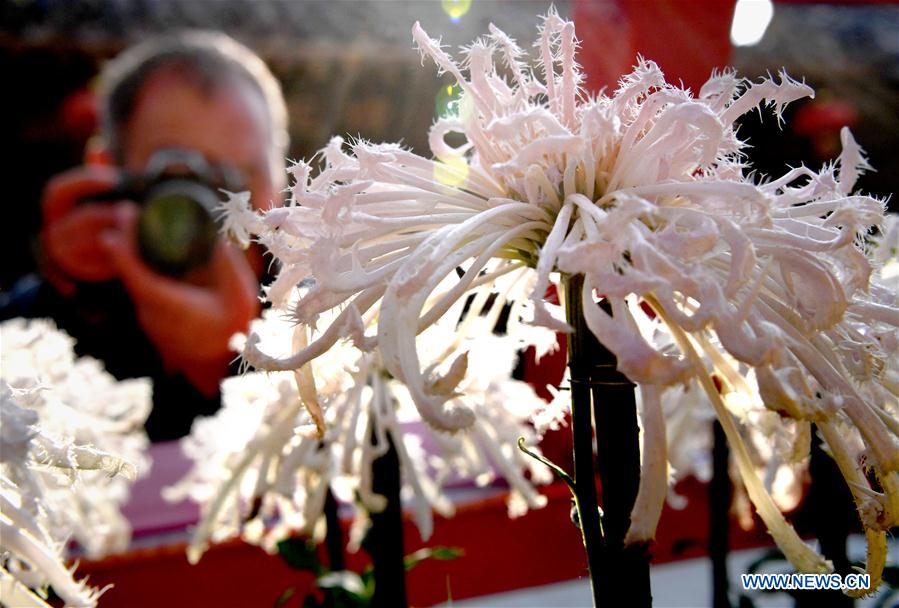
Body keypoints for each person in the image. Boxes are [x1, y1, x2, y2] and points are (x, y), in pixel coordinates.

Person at [1, 30, 289, 440]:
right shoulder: (25, 345)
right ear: (105, 172)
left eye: (241, 178)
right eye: (178, 175)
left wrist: (229, 364)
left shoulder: (333, 328)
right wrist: (64, 299)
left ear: (278, 189)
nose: (217, 209)